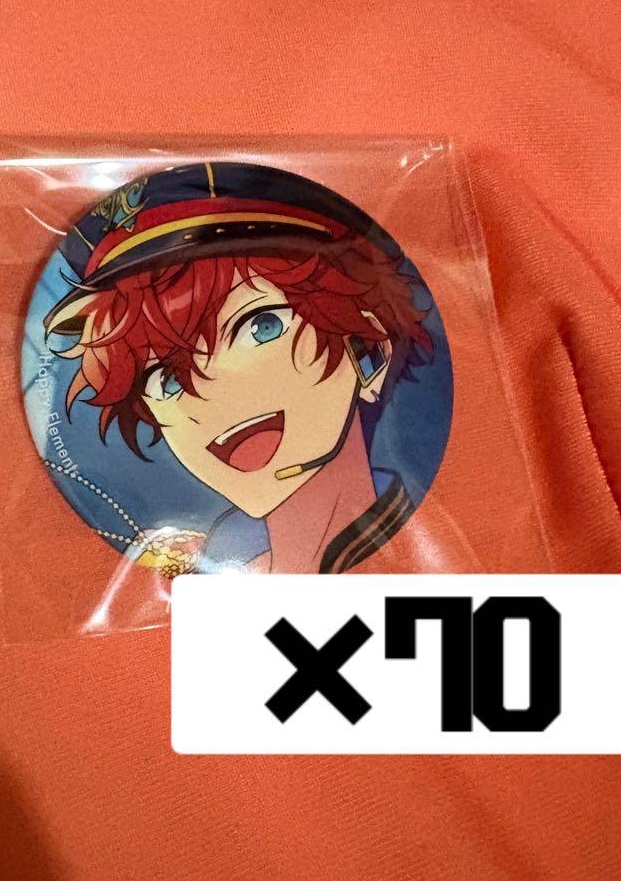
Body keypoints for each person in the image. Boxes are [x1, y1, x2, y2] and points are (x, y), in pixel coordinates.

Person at [44, 162, 434, 573]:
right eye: (166, 379)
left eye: (261, 327)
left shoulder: (406, 569)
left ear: (368, 347)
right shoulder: (216, 566)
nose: (207, 392)